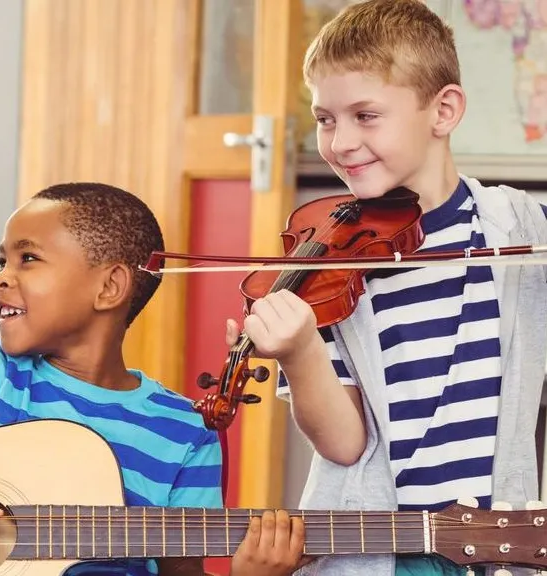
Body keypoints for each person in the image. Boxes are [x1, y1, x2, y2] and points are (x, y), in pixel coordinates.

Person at [0, 182, 306, 576]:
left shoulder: (183, 431)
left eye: (28, 258)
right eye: (2, 260)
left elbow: (180, 569)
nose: (2, 276)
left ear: (109, 287)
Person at [222, 1, 547, 575]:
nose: (341, 142)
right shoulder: (325, 262)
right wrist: (299, 352)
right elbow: (345, 445)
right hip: (381, 551)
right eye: (325, 119)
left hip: (497, 546)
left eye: (365, 116)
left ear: (442, 110)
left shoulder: (519, 229)